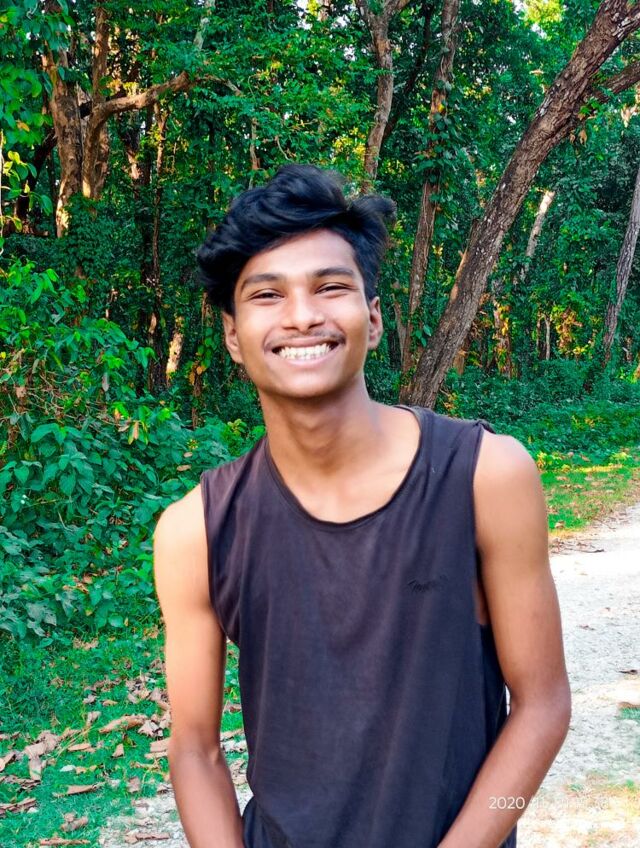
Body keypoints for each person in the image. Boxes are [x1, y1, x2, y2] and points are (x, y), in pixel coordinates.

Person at [153, 164, 571, 848]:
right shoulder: (195, 532)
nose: (302, 316)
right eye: (267, 294)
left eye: (330, 287)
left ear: (372, 319)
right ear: (232, 336)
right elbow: (195, 749)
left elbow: (543, 706)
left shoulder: (485, 477)